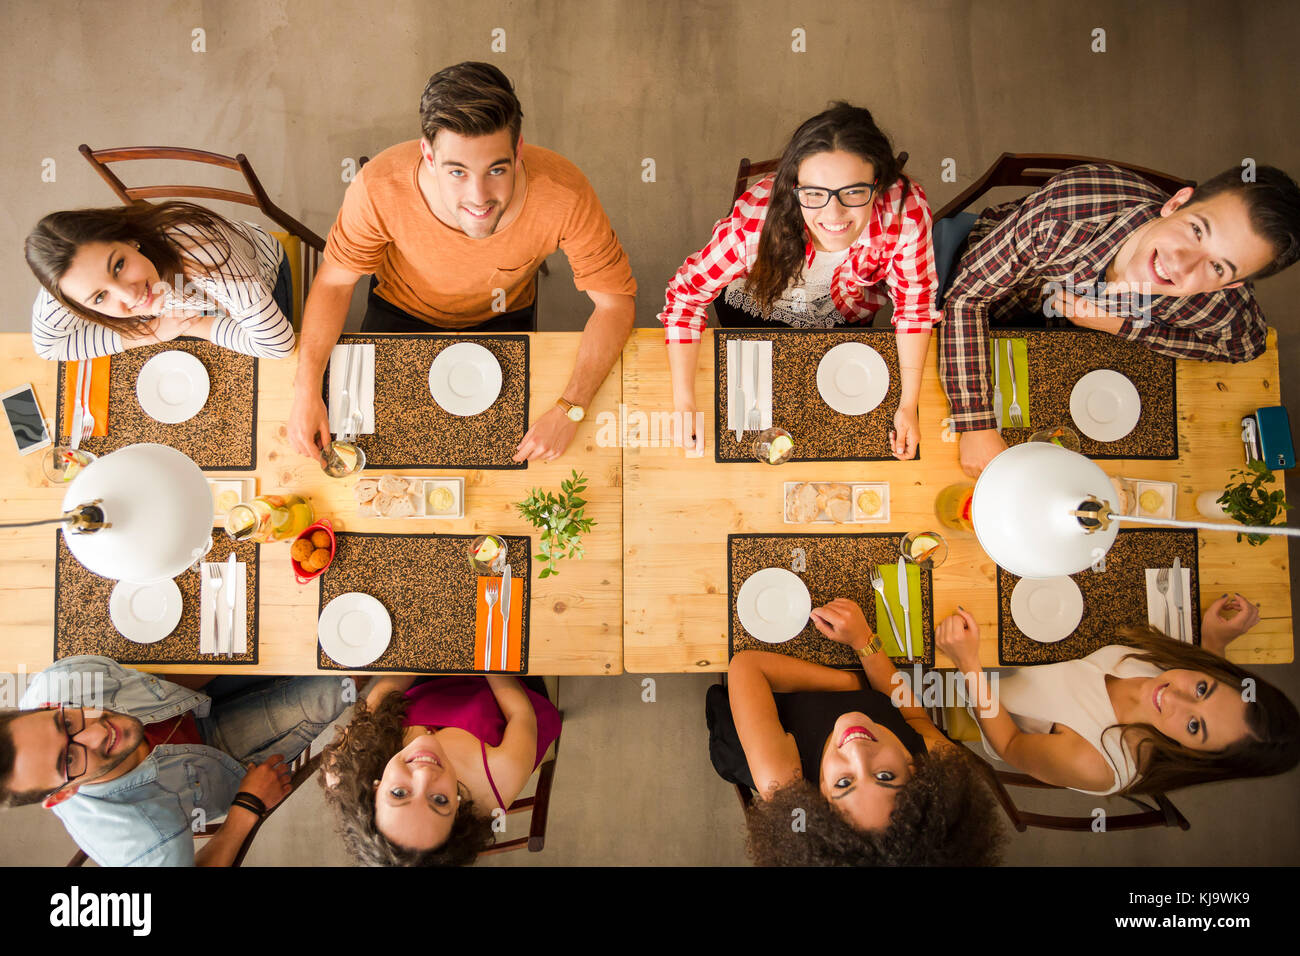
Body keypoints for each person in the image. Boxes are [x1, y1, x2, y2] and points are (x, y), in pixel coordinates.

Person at [286, 61, 636, 466]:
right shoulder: (378, 187)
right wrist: (306, 387)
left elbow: (615, 302)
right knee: (376, 455)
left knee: (508, 464)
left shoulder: (565, 193)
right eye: (457, 171)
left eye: (497, 169)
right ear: (428, 156)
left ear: (518, 150)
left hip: (504, 316)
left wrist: (571, 407)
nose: (478, 197)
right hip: (399, 312)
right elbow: (334, 283)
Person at [939, 163, 1300, 478]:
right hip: (1002, 288)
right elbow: (968, 296)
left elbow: (1246, 345)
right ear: (1177, 202)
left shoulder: (1220, 301)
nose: (1181, 264)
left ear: (1232, 283)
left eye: (1218, 266)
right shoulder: (1064, 214)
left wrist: (1121, 326)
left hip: (1074, 349)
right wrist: (976, 425)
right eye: (1197, 230)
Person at [658, 102, 941, 459]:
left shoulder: (905, 211)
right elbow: (686, 294)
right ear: (794, 186)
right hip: (754, 311)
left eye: (854, 192)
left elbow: (915, 307)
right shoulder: (755, 223)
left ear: (878, 182)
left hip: (843, 318)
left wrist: (909, 405)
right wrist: (684, 400)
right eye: (814, 194)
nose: (833, 215)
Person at [708, 599, 1003, 865]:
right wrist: (864, 641)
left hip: (766, 703)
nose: (857, 750)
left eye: (843, 782)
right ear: (918, 770)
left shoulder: (782, 779)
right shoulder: (939, 758)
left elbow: (746, 666)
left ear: (817, 797)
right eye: (885, 776)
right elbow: (910, 714)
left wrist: (846, 683)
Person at [936, 593, 1300, 796]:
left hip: (984, 690)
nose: (1172, 697)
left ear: (1196, 756)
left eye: (1193, 726)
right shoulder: (1185, 671)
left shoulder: (1096, 764)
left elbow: (1009, 744)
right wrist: (1214, 643)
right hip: (1037, 649)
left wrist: (967, 662)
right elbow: (1215, 711)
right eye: (1203, 688)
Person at [0, 657, 347, 866]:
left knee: (302, 637)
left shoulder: (62, 682)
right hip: (221, 762)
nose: (97, 733)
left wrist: (230, 656)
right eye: (70, 759)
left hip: (192, 698)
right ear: (62, 795)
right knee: (337, 686)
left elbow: (155, 678)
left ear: (48, 706)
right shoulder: (142, 846)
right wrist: (246, 807)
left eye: (66, 722)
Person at [319, 674, 560, 866]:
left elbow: (383, 697)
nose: (424, 775)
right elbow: (520, 713)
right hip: (503, 687)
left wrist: (424, 650)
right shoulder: (500, 776)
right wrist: (486, 654)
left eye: (399, 794)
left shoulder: (344, 768)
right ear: (457, 805)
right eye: (439, 800)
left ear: (375, 789)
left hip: (422, 684)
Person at [26, 201, 296, 361]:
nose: (130, 296)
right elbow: (48, 347)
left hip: (260, 274)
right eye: (100, 297)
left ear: (128, 240)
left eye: (119, 265)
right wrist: (152, 332)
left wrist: (194, 325)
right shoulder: (70, 281)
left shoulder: (197, 249)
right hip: (196, 304)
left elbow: (279, 345)